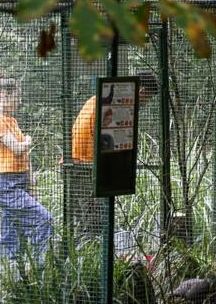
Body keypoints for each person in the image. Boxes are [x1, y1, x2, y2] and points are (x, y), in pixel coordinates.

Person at [65, 73, 158, 239]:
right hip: (86, 166)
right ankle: (87, 259)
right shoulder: (116, 106)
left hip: (74, 163)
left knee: (82, 221)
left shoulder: (100, 98)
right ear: (142, 91)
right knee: (94, 222)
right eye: (148, 99)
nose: (145, 103)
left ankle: (79, 257)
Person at [0, 77, 52, 259]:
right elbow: (17, 148)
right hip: (6, 185)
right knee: (43, 219)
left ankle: (9, 276)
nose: (19, 101)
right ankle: (42, 268)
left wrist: (31, 183)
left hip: (20, 181)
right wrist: (28, 141)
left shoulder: (11, 121)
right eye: (17, 96)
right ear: (4, 95)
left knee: (11, 234)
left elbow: (23, 155)